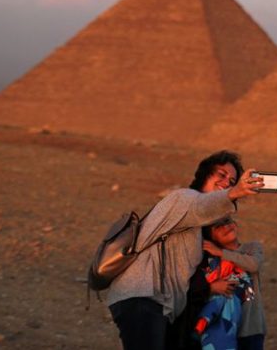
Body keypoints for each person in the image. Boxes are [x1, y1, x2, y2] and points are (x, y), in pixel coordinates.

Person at [107, 150, 263, 350]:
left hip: (158, 304)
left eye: (232, 181)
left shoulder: (197, 226)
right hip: (142, 296)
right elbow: (201, 206)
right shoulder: (184, 198)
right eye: (221, 175)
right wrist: (235, 192)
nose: (226, 182)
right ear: (204, 176)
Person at [181, 217, 267, 350]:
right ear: (211, 237)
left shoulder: (251, 248)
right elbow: (196, 289)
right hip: (222, 328)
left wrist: (221, 253)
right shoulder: (210, 262)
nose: (225, 227)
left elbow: (254, 265)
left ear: (235, 224)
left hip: (251, 327)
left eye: (227, 221)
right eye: (218, 226)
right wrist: (212, 288)